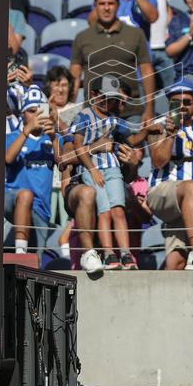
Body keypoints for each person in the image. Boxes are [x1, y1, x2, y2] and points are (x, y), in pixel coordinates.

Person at [67, 75, 163, 270]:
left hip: (112, 168)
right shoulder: (84, 116)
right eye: (104, 98)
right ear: (94, 95)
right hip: (93, 168)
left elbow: (133, 139)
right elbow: (77, 145)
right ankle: (109, 252)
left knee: (118, 210)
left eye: (112, 98)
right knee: (104, 212)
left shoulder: (114, 120)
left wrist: (146, 131)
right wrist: (92, 170)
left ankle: (125, 254)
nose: (108, 102)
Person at [146, 79, 193, 271]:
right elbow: (158, 161)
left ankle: (165, 300)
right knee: (191, 186)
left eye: (187, 101)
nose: (182, 106)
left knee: (175, 262)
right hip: (162, 194)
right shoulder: (158, 126)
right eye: (176, 102)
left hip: (190, 207)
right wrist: (170, 133)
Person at [70, 0, 157, 124]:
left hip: (130, 113)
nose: (106, 8)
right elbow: (74, 77)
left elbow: (146, 71)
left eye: (110, 3)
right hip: (93, 115)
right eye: (102, 4)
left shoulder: (135, 34)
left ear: (118, 5)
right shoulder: (82, 37)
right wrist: (69, 108)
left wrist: (150, 109)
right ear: (95, 6)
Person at [5, 87, 60, 254]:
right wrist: (26, 131)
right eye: (31, 111)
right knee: (25, 195)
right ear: (22, 114)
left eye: (40, 111)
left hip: (41, 210)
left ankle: (23, 257)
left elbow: (63, 163)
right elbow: (8, 158)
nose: (36, 116)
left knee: (34, 266)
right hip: (12, 201)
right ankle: (20, 252)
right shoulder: (13, 136)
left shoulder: (53, 139)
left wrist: (54, 137)